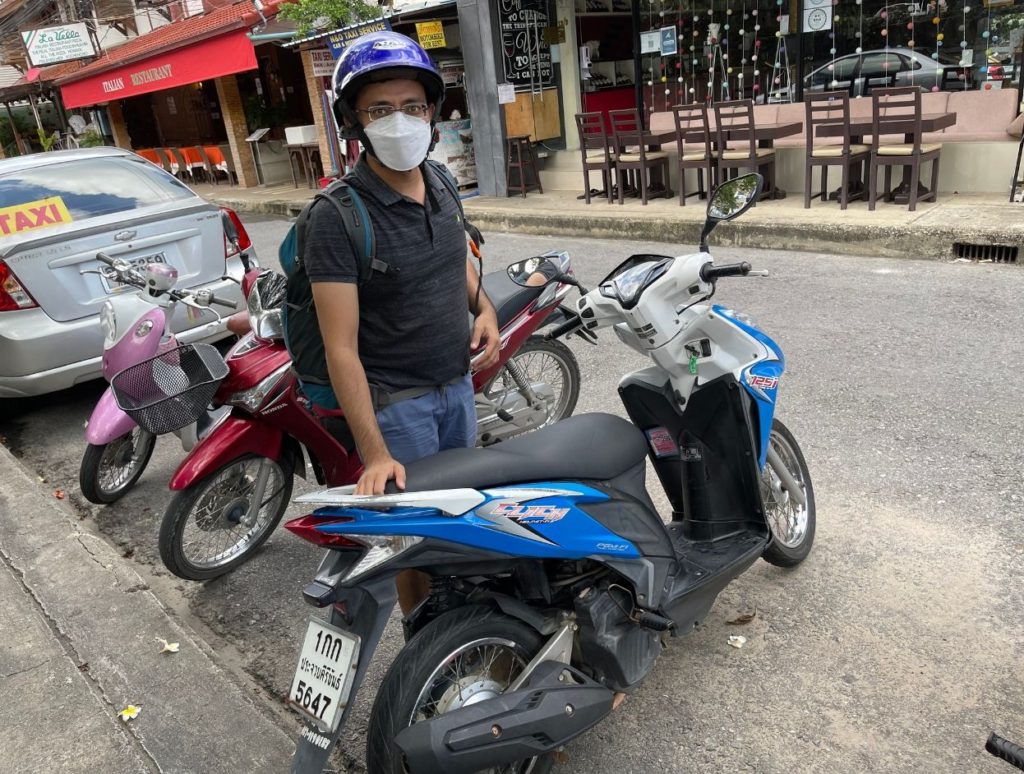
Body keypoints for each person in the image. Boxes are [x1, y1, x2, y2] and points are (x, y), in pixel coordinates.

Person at [301, 31, 500, 613]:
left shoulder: (439, 181)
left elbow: (453, 257)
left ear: (432, 113)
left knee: (460, 516)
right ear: (354, 123)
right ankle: (425, 636)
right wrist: (375, 453)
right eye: (380, 110)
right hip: (399, 408)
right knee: (415, 542)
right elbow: (340, 349)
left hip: (457, 387)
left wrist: (482, 309)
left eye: (412, 107)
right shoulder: (337, 217)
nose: (400, 121)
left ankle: (462, 621)